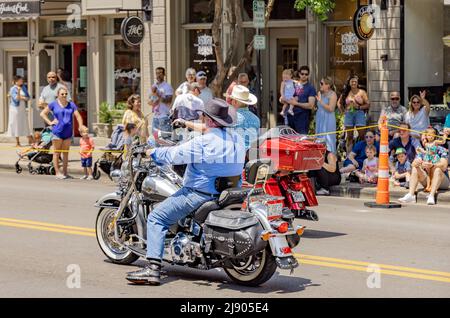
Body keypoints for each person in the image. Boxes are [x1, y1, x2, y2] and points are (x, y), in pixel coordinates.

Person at [126, 99, 245, 286]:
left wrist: (152, 153)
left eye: (203, 116)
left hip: (199, 194)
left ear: (209, 119)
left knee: (157, 217)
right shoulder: (237, 138)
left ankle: (152, 269)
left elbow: (174, 155)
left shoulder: (203, 142)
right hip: (229, 194)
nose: (201, 117)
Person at [40, 87, 86, 179]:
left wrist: (80, 126)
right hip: (57, 132)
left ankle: (65, 173)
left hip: (68, 133)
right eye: (62, 94)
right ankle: (57, 172)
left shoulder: (71, 105)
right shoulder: (54, 104)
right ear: (58, 95)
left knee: (66, 153)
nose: (64, 95)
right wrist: (50, 122)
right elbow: (43, 113)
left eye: (66, 94)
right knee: (57, 153)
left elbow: (78, 116)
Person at [337, 75, 370, 155]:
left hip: (359, 113)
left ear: (357, 82)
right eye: (352, 81)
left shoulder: (362, 92)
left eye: (355, 81)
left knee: (362, 135)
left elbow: (368, 104)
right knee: (349, 136)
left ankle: (363, 153)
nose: (354, 83)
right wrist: (343, 111)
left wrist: (358, 107)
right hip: (349, 114)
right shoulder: (346, 92)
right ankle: (349, 155)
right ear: (349, 83)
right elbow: (339, 103)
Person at [283, 65, 316, 134]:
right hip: (290, 118)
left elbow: (311, 105)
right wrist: (283, 99)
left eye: (306, 74)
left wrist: (297, 103)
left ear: (308, 75)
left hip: (302, 119)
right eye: (302, 73)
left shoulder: (310, 88)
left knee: (301, 141)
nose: (304, 75)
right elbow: (284, 98)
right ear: (299, 74)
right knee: (290, 141)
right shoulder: (292, 85)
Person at [228, 85, 260, 151]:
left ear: (234, 102)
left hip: (237, 155)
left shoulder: (231, 118)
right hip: (252, 155)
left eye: (231, 100)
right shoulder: (256, 119)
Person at [416, 127, 448, 192]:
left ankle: (433, 186)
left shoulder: (435, 142)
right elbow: (426, 152)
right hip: (428, 158)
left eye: (433, 134)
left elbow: (443, 142)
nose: (431, 136)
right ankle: (428, 186)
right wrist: (421, 150)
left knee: (433, 173)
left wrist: (445, 135)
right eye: (429, 135)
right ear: (426, 136)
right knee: (428, 174)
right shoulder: (426, 144)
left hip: (434, 158)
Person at [7, 75, 33, 147]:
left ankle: (30, 139)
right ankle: (17, 142)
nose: (22, 81)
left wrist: (23, 97)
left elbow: (28, 97)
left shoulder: (24, 87)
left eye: (22, 80)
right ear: (16, 81)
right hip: (15, 109)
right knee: (16, 124)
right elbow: (16, 99)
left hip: (22, 108)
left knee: (24, 123)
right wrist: (19, 92)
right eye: (20, 80)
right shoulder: (13, 89)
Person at [315, 76, 338, 154]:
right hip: (320, 119)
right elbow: (319, 107)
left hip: (328, 119)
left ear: (328, 85)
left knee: (329, 140)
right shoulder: (320, 93)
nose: (320, 85)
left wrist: (320, 101)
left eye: (322, 83)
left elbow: (331, 109)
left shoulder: (332, 94)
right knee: (319, 139)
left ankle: (331, 161)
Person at [149, 67, 173, 133]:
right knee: (155, 140)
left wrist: (157, 94)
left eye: (160, 73)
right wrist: (153, 98)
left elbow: (169, 101)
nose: (158, 75)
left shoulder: (167, 86)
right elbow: (149, 102)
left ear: (164, 74)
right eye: (157, 73)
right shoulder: (153, 86)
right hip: (155, 117)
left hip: (164, 116)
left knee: (165, 140)